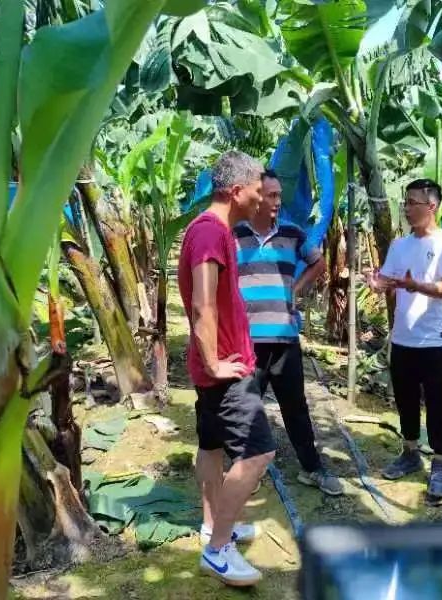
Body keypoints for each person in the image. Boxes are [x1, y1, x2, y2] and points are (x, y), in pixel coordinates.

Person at [177, 150, 275, 587]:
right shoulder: (209, 234)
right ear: (237, 190)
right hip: (225, 370)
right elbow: (202, 305)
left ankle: (214, 524)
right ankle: (217, 550)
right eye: (258, 188)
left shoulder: (213, 231)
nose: (262, 198)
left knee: (212, 447)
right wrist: (216, 362)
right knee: (258, 454)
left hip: (216, 366)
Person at [233, 169, 344, 496]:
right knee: (247, 407)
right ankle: (246, 472)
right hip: (248, 341)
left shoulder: (293, 233)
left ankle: (312, 468)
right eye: (271, 196)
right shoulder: (234, 235)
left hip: (284, 337)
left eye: (279, 195)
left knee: (295, 407)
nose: (277, 202)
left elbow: (318, 262)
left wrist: (295, 290)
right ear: (255, 196)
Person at [366, 178, 442, 502]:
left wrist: (417, 286)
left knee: (436, 403)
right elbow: (389, 280)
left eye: (413, 202)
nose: (407, 207)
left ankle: (440, 462)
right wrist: (376, 283)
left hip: (434, 338)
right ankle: (411, 452)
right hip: (402, 337)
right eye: (406, 201)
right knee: (404, 398)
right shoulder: (400, 245)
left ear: (431, 206)